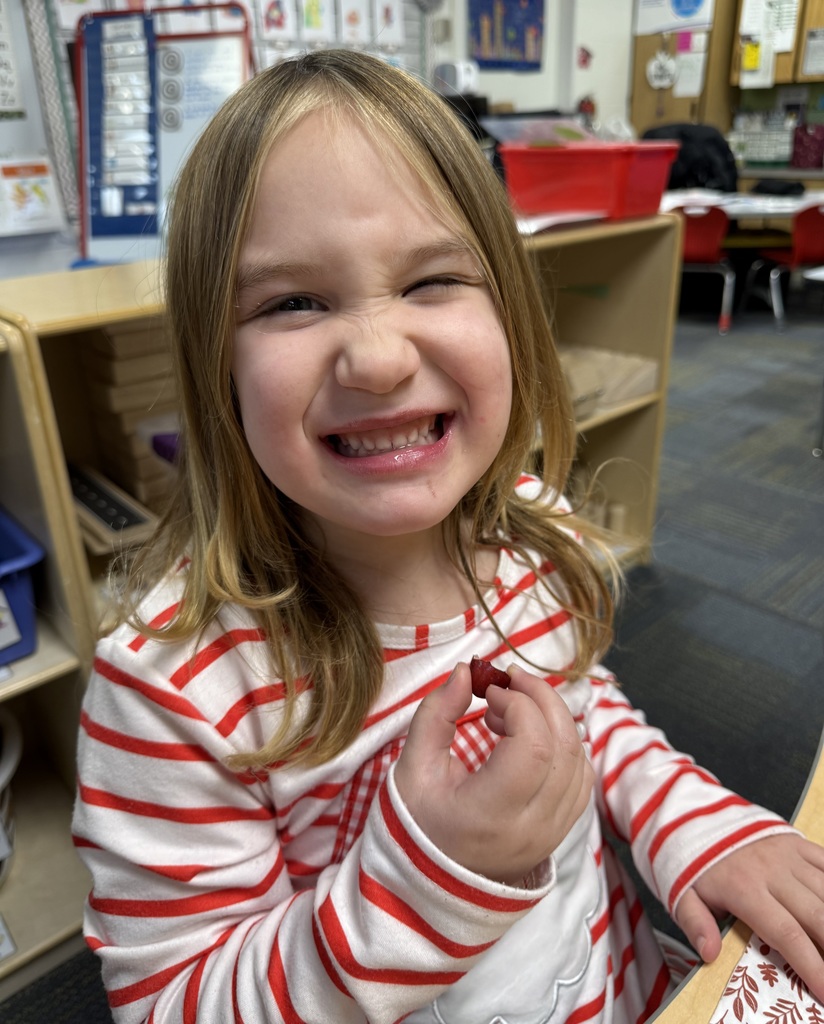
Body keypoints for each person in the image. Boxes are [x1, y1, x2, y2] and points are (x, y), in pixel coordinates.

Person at [71, 49, 824, 1024]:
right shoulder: (172, 688)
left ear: (507, 311)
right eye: (292, 301)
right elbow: (176, 1000)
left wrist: (698, 828)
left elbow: (582, 717)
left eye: (430, 279)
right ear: (215, 370)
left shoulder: (529, 533)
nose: (378, 358)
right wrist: (433, 877)